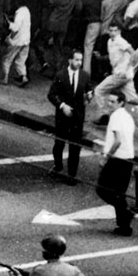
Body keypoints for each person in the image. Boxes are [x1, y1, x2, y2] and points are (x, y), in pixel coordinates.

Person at [95, 92, 135, 236]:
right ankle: (124, 226)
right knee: (120, 193)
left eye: (113, 101)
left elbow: (117, 141)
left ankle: (125, 213)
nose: (109, 104)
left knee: (102, 189)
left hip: (117, 159)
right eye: (109, 101)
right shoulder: (128, 117)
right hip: (128, 158)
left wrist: (106, 156)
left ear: (121, 103)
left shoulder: (116, 117)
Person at [48, 48, 89, 184]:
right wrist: (62, 105)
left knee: (75, 146)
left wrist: (88, 97)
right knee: (59, 144)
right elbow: (52, 95)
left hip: (77, 116)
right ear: (70, 60)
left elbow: (88, 92)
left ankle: (72, 174)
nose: (79, 63)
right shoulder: (61, 76)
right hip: (63, 116)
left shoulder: (84, 76)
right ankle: (58, 165)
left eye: (80, 60)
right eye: (76, 59)